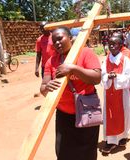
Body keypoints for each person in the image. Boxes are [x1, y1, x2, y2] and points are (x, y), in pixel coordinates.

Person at [40, 27, 101, 160]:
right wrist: (47, 87)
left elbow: (97, 78)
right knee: (63, 152)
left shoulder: (85, 53)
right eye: (54, 41)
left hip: (86, 112)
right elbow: (43, 88)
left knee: (87, 153)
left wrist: (73, 68)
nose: (57, 43)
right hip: (64, 116)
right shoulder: (52, 61)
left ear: (70, 38)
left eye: (60, 38)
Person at [101, 36, 130, 154]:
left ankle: (123, 137)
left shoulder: (125, 60)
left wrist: (117, 77)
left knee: (123, 114)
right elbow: (102, 75)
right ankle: (110, 141)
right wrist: (107, 77)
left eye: (115, 44)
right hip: (109, 93)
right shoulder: (106, 60)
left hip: (122, 93)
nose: (112, 46)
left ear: (120, 45)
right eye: (110, 44)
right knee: (109, 116)